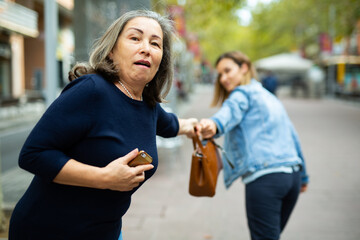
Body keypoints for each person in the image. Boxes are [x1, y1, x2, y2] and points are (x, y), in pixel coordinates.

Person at [9, 10, 198, 240]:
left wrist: (197, 126)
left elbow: (170, 125)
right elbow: (33, 154)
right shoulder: (91, 90)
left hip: (106, 231)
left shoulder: (147, 104)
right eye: (135, 38)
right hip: (49, 230)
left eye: (155, 44)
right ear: (111, 50)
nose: (146, 48)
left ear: (161, 60)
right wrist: (105, 178)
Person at [198, 51, 309, 240]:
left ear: (244, 68)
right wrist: (304, 176)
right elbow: (293, 136)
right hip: (292, 178)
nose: (223, 78)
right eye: (220, 75)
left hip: (266, 180)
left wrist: (214, 124)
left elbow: (229, 112)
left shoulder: (242, 93)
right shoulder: (270, 97)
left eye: (227, 71)